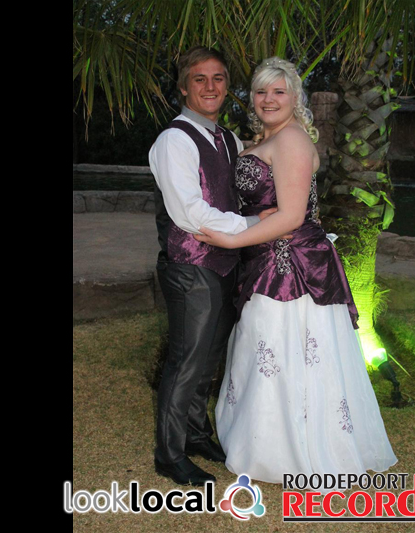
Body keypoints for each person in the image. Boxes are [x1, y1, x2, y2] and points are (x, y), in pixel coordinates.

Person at [195, 57, 398, 489]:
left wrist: (229, 239)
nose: (268, 99)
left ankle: (288, 452)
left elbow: (290, 217)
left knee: (283, 351)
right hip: (266, 257)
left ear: (295, 98)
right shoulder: (265, 139)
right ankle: (264, 443)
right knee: (265, 351)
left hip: (290, 268)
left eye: (279, 91)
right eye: (261, 91)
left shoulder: (291, 140)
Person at [149, 47, 280, 487]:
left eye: (218, 78)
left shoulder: (227, 139)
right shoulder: (174, 140)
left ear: (227, 87)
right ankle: (169, 455)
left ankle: (195, 434)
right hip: (191, 266)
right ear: (184, 88)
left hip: (226, 264)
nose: (210, 86)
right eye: (199, 79)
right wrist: (252, 224)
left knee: (207, 361)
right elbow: (190, 212)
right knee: (186, 361)